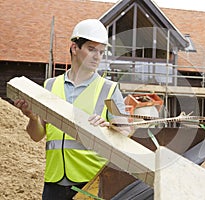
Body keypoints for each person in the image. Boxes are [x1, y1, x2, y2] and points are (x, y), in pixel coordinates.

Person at [14, 19, 131, 200]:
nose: (97, 56)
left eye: (101, 52)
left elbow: (126, 133)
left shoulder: (109, 89)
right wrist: (31, 117)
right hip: (54, 181)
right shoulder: (50, 85)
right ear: (75, 48)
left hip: (91, 182)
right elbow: (36, 135)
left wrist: (108, 127)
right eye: (91, 49)